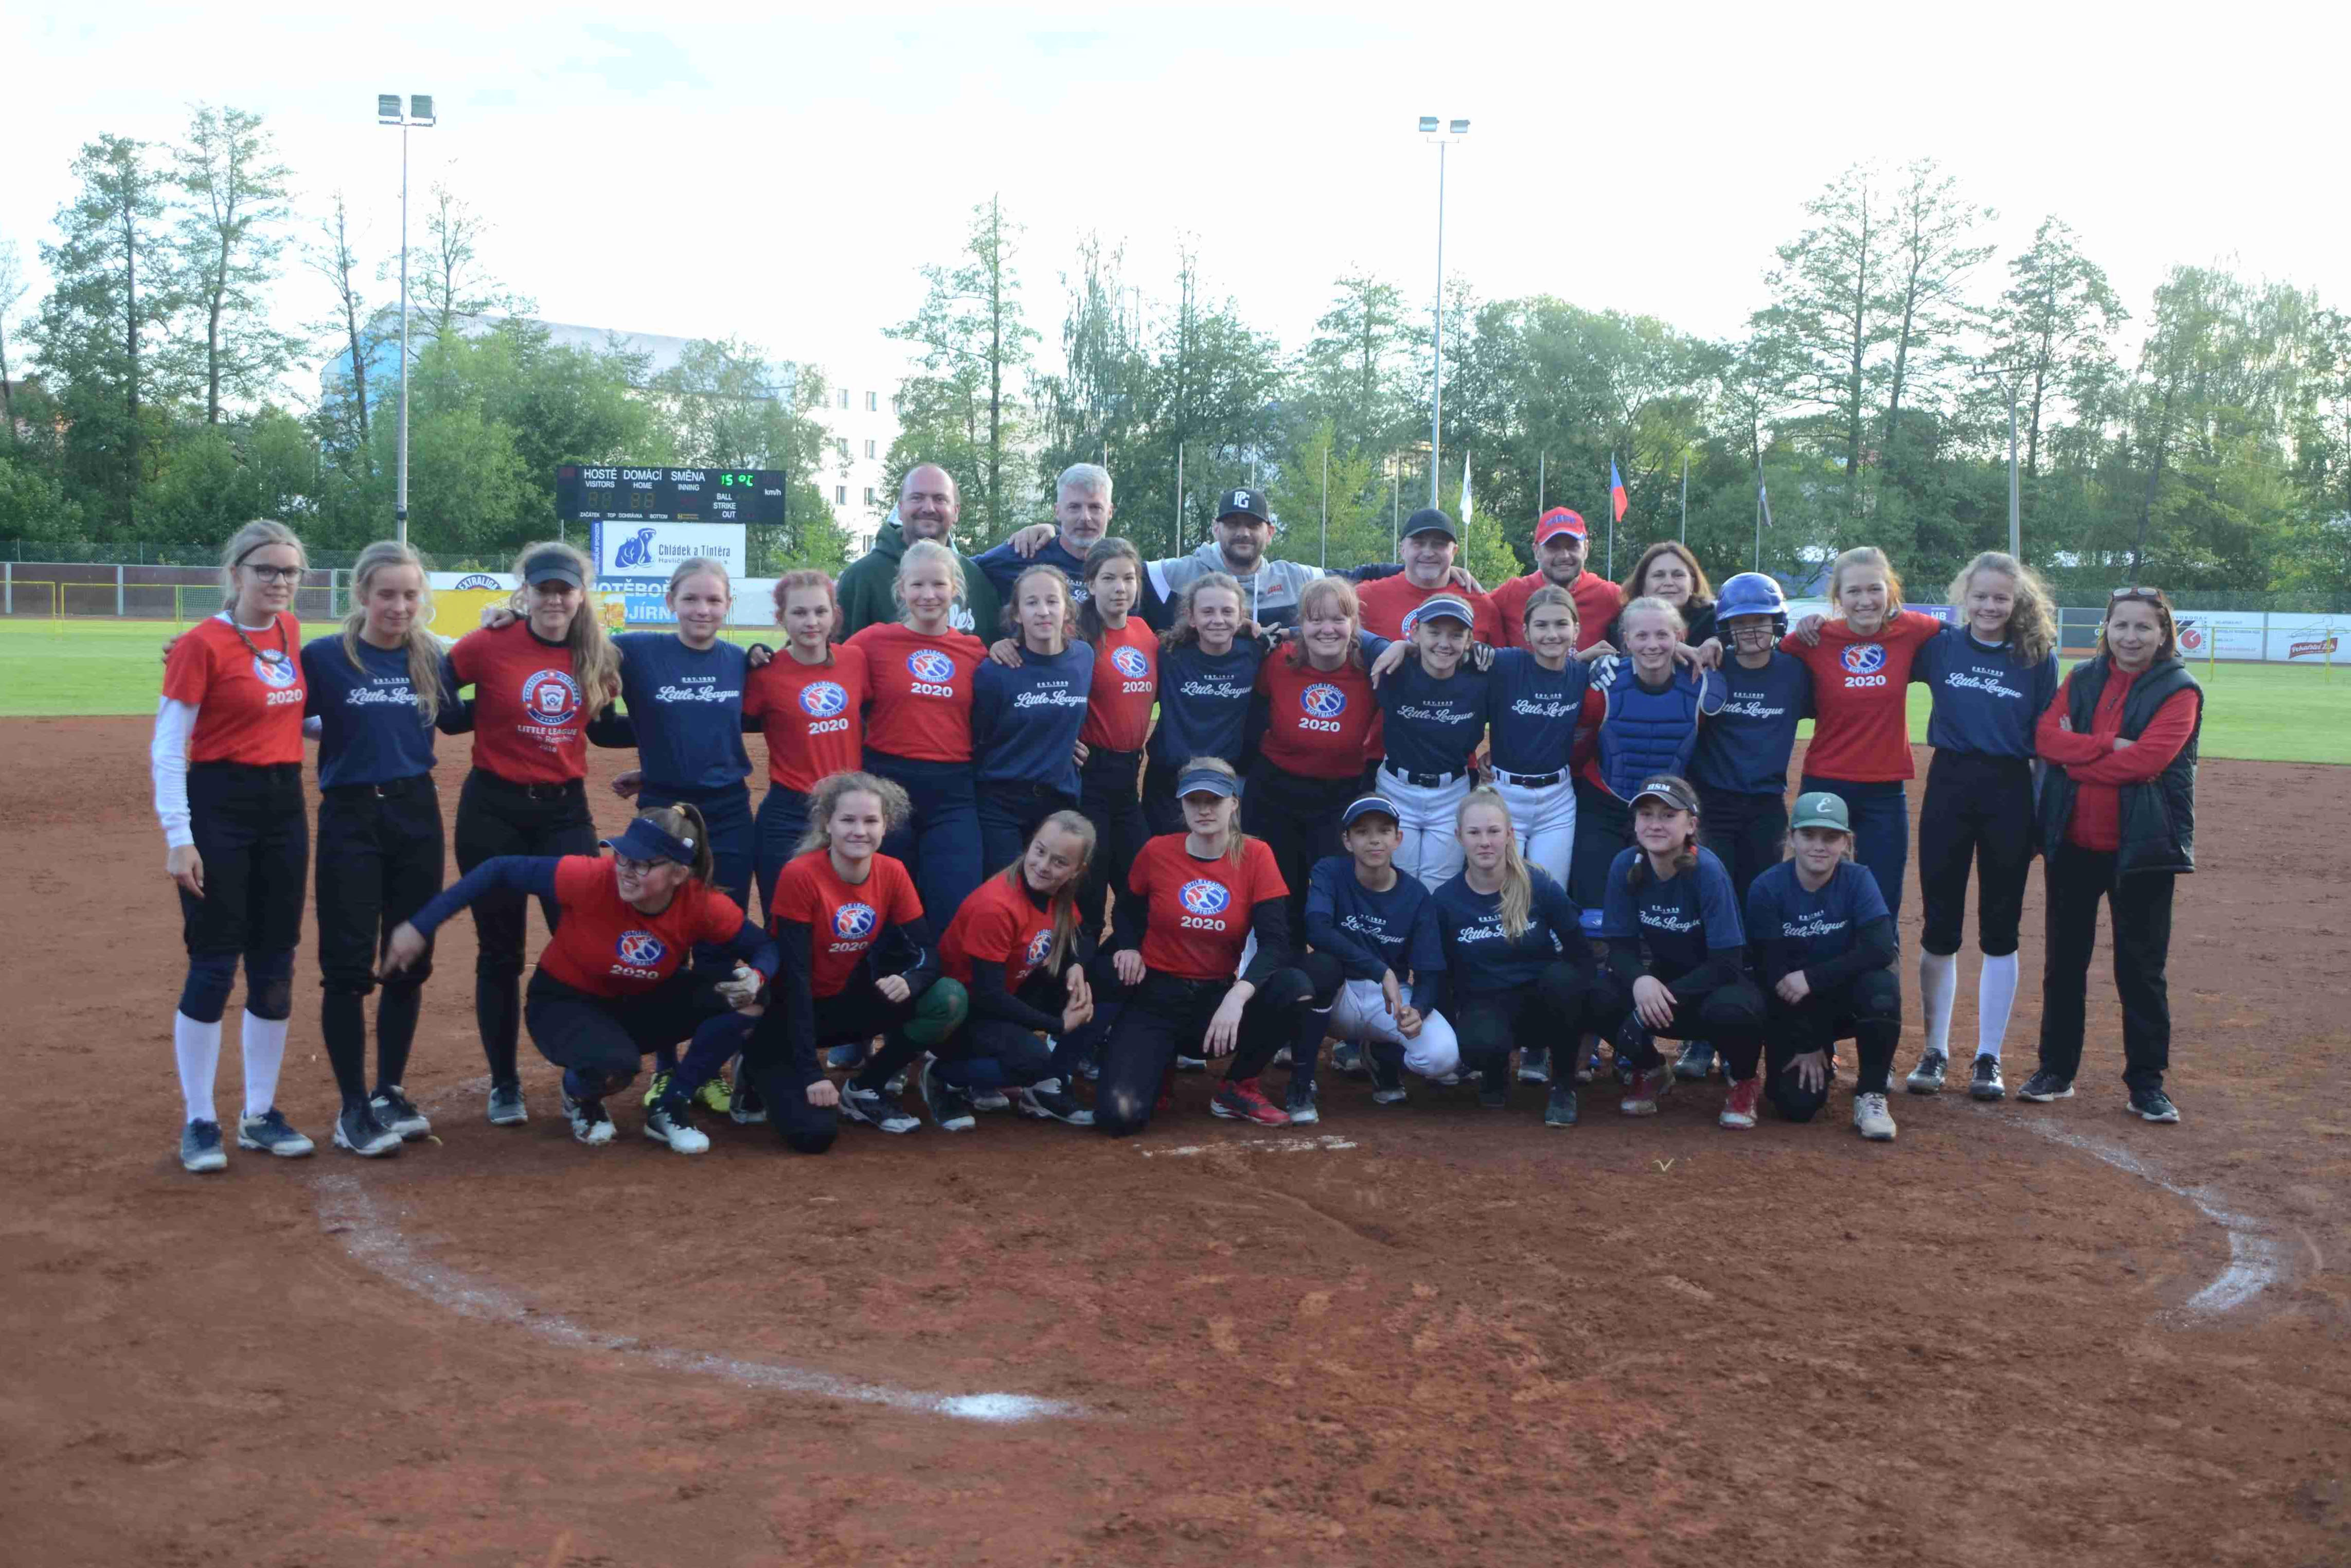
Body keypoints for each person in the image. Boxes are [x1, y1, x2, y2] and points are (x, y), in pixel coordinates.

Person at [382, 804, 775, 1154]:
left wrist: (756, 977)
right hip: (566, 1003)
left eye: (641, 864)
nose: (625, 870)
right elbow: (497, 870)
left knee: (750, 998)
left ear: (678, 873)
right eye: (622, 857)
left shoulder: (700, 904)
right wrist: (421, 926)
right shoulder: (588, 877)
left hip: (642, 1002)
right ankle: (580, 1096)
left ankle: (671, 1105)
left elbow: (765, 948)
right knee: (613, 1068)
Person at [153, 520, 319, 1172]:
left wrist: (375, 718)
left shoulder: (291, 633)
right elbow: (169, 746)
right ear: (236, 575)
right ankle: (199, 1121)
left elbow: (294, 717)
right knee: (216, 963)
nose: (280, 582)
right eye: (267, 571)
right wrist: (179, 838)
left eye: (290, 572)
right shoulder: (202, 644)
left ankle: (259, 1113)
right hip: (220, 808)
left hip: (284, 807)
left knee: (275, 963)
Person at [302, 539, 471, 1158]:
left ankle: (387, 1091)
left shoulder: (432, 656)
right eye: (387, 594)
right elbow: (272, 702)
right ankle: (352, 1109)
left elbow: (461, 717)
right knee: (348, 967)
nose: (399, 606)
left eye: (410, 595)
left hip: (415, 813)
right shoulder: (326, 657)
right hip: (351, 816)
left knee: (408, 958)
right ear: (362, 596)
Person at [447, 541, 622, 1128]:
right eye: (543, 588)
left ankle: (584, 1078)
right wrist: (485, 710)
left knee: (580, 941)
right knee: (500, 952)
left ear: (580, 594)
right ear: (525, 591)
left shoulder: (594, 651)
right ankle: (504, 1083)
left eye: (564, 589)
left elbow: (602, 732)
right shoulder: (490, 642)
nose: (553, 598)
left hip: (563, 814)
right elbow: (440, 694)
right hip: (492, 810)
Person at [2020, 586, 2202, 1125]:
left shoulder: (2179, 690)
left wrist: (2080, 755)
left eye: (2143, 627)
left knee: (2141, 970)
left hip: (2142, 850)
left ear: (2163, 633)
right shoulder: (2082, 678)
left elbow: (2146, 763)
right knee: (2064, 964)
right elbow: (2046, 739)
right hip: (2073, 844)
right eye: (2120, 626)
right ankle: (2056, 1070)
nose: (2130, 637)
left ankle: (2146, 1084)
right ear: (2106, 630)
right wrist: (2103, 746)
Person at [711, 772, 970, 1138]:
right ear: (827, 823)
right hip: (787, 1015)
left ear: (886, 825)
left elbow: (927, 950)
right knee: (813, 1135)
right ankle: (753, 1066)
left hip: (842, 1004)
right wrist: (811, 1072)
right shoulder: (800, 876)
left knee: (948, 998)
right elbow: (796, 979)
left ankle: (867, 1087)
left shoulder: (892, 872)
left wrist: (911, 980)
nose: (859, 831)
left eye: (871, 821)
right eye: (848, 820)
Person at [1090, 759, 1335, 1137]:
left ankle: (1238, 1086)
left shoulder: (1256, 856)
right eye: (1194, 801)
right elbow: (1126, 912)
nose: (1204, 809)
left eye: (1214, 800)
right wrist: (1129, 948)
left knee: (1294, 986)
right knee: (1119, 1117)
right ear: (1182, 806)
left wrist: (1237, 996)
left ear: (1233, 804)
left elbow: (1275, 943)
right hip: (1156, 999)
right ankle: (1160, 1065)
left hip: (1215, 1004)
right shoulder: (1157, 851)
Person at [1901, 552, 2061, 1101]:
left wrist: (2042, 815)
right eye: (1981, 596)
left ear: (2017, 602)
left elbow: (2044, 746)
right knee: (1939, 923)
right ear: (1963, 597)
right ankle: (1935, 1049)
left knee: (2000, 926)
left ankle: (1988, 1056)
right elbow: (1880, 639)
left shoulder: (2036, 656)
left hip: (2009, 792)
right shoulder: (1940, 647)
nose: (1990, 606)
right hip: (1949, 782)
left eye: (2001, 598)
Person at [593, 559, 759, 960]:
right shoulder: (635, 651)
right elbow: (573, 643)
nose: (702, 609)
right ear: (671, 601)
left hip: (728, 810)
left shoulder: (739, 661)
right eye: (691, 599)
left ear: (728, 605)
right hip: (662, 808)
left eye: (713, 600)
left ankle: (710, 1012)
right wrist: (512, 613)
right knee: (654, 923)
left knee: (720, 922)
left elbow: (719, 725)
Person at [1782, 546, 1944, 919]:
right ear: (1838, 597)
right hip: (1825, 781)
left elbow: (1972, 642)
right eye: (1854, 591)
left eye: (1874, 589)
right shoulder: (1815, 639)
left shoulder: (1912, 629)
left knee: (1883, 894)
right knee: (1813, 888)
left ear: (1891, 590)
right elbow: (1764, 662)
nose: (1865, 600)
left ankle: (1877, 968)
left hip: (1884, 788)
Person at [1592, 775, 1766, 1118]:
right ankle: (1651, 1068)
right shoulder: (1626, 865)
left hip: (1714, 987)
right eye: (1647, 815)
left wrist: (1662, 996)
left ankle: (1744, 1081)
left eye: (1668, 816)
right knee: (1598, 995)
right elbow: (1621, 948)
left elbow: (1727, 962)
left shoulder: (1707, 871)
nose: (1655, 824)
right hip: (1663, 982)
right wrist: (1642, 982)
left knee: (1734, 1011)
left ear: (1691, 825)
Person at [844, 540, 990, 944]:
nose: (929, 595)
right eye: (918, 585)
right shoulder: (872, 642)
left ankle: (944, 996)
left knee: (953, 903)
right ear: (901, 589)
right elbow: (822, 671)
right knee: (888, 910)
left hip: (953, 791)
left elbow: (1014, 704)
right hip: (887, 789)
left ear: (956, 588)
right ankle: (890, 994)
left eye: (939, 585)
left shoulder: (975, 651)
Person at [1432, 788, 1603, 1123]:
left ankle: (1563, 1086)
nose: (1485, 842)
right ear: (1459, 837)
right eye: (1475, 832)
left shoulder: (1538, 885)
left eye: (1494, 831)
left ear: (1510, 835)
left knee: (1563, 980)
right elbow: (1440, 974)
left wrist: (1584, 1021)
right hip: (1486, 1005)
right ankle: (1494, 1069)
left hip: (1543, 1004)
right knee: (1478, 1043)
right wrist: (1451, 1031)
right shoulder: (1445, 900)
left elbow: (1581, 955)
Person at [1744, 791, 1903, 1139]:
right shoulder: (1768, 888)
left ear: (1846, 842)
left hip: (1840, 998)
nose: (1819, 846)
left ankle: (1871, 1094)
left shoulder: (1858, 879)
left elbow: (1879, 949)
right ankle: (1819, 1055)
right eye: (1809, 835)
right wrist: (1809, 1041)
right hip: (1788, 1005)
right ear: (1791, 839)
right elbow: (1772, 974)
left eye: (1831, 837)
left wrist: (1813, 978)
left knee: (1881, 988)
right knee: (1795, 1107)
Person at [928, 811, 1099, 1130]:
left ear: (1077, 871)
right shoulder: (996, 906)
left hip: (1002, 998)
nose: (1044, 865)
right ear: (1029, 845)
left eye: (1060, 862)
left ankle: (1048, 1085)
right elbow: (986, 996)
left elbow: (1083, 935)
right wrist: (1057, 1024)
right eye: (1040, 851)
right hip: (960, 1017)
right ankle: (946, 1076)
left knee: (1095, 986)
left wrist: (1076, 965)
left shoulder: (1056, 895)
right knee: (1032, 1061)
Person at [1303, 797, 1462, 1115]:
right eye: (1362, 832)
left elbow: (1430, 969)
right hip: (1338, 993)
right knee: (1311, 973)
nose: (1374, 840)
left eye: (1384, 831)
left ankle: (1382, 1057)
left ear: (1398, 839)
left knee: (1442, 1058)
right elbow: (1316, 929)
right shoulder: (1330, 872)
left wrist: (1419, 1008)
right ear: (1347, 840)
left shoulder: (1416, 895)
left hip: (1388, 1002)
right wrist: (1380, 970)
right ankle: (1301, 1075)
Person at [1569, 597, 1727, 915]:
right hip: (1605, 804)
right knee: (1595, 908)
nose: (1652, 645)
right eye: (1641, 636)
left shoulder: (1702, 688)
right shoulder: (1604, 686)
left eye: (1662, 635)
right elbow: (1576, 743)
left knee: (1667, 909)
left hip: (1666, 810)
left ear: (1679, 638)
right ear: (1626, 640)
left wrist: (1712, 642)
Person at [1245, 576, 1382, 936]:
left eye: (1338, 619)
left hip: (1339, 797)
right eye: (1316, 619)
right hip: (1275, 794)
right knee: (1279, 897)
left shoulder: (1370, 669)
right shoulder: (1278, 660)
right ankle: (1279, 980)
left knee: (1332, 896)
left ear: (1354, 625)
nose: (1327, 629)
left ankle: (1327, 979)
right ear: (1301, 624)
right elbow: (1253, 713)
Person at [743, 571, 865, 921]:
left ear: (833, 615)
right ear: (780, 618)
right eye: (798, 613)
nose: (811, 622)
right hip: (788, 813)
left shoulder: (856, 661)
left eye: (820, 611)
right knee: (786, 920)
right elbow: (720, 728)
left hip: (847, 810)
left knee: (846, 919)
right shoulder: (763, 673)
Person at [1689, 573, 1811, 912]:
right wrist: (1709, 645)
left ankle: (1757, 964)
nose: (1752, 630)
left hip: (1766, 803)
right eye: (1740, 622)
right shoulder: (1712, 666)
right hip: (1714, 803)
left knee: (1761, 894)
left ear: (1777, 622)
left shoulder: (1796, 672)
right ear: (1725, 628)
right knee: (1715, 891)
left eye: (1760, 620)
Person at [972, 565, 1094, 875]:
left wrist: (1069, 743)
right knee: (1005, 892)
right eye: (1031, 603)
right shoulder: (996, 669)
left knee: (1053, 896)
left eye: (1052, 601)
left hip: (1060, 799)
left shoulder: (1083, 658)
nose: (1043, 611)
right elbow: (981, 736)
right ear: (1016, 614)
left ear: (1067, 610)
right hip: (1003, 801)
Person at [1369, 593, 1492, 889]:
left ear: (1469, 640)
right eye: (1434, 632)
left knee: (1441, 886)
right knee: (1396, 883)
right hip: (1397, 787)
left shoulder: (1481, 675)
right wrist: (1397, 645)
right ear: (1415, 633)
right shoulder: (1395, 667)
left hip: (1451, 792)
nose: (1444, 643)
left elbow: (1533, 663)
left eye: (1456, 635)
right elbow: (1353, 634)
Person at [1068, 539, 1156, 950]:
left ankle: (1124, 964)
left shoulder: (1143, 633)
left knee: (1139, 876)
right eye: (1109, 579)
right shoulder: (1077, 636)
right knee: (1091, 883)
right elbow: (1042, 686)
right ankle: (1078, 975)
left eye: (1128, 578)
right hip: (1091, 773)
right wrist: (1059, 742)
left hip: (1128, 776)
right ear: (1090, 585)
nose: (1120, 588)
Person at [1141, 572, 1267, 836]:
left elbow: (1304, 638)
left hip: (1224, 781)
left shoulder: (1255, 651)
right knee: (1166, 863)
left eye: (1227, 611)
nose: (1218, 620)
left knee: (1219, 865)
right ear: (1192, 617)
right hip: (1169, 781)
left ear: (1241, 615)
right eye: (1208, 611)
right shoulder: (1168, 654)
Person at [834, 464, 1001, 637]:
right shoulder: (861, 578)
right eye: (917, 498)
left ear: (956, 511)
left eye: (940, 499)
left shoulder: (977, 580)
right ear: (900, 509)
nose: (928, 508)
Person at [1353, 508, 1504, 644]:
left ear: (1454, 552)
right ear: (1403, 549)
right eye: (1418, 543)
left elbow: (1501, 670)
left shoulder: (1481, 604)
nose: (1428, 553)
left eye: (1439, 545)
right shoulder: (1365, 598)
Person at [974, 462, 1114, 605]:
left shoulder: (1126, 570)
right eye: (1074, 507)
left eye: (1095, 507)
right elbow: (959, 566)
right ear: (1057, 511)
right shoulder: (1026, 551)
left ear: (1110, 512)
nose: (1085, 517)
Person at [1491, 508, 1623, 652]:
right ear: (1536, 551)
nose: (1564, 556)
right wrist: (1462, 575)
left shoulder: (1608, 595)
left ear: (1586, 548)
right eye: (1553, 547)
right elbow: (1471, 607)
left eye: (1572, 546)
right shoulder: (1512, 593)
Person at [1603, 542, 1719, 652]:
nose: (1669, 582)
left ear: (1692, 584)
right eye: (1659, 575)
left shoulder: (1715, 622)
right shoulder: (1621, 628)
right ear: (1643, 585)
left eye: (1678, 575)